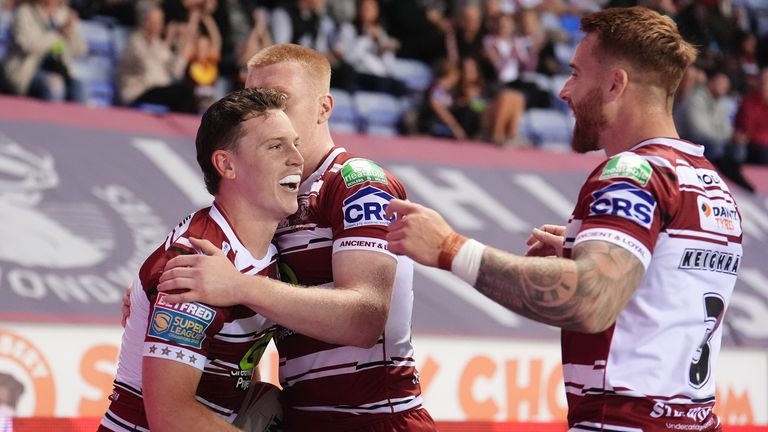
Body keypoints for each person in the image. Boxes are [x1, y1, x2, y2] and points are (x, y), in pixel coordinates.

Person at [384, 7, 742, 432]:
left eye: (576, 74)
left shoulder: (632, 173)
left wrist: (449, 249)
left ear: (615, 83)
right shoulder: (709, 183)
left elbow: (590, 302)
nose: (564, 91)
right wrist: (584, 249)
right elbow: (661, 296)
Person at [151, 44, 436, 431]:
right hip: (303, 417)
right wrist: (152, 291)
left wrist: (237, 286)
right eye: (255, 101)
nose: (267, 115)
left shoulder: (357, 182)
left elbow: (364, 320)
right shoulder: (272, 202)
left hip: (375, 420)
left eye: (281, 101)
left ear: (324, 108)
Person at [100, 87, 303, 432]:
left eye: (295, 143)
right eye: (275, 146)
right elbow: (171, 418)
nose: (297, 157)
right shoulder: (194, 263)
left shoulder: (267, 252)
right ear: (226, 164)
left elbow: (236, 366)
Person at [1, 0, 87, 102]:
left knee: (80, 88)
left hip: (58, 70)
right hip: (26, 72)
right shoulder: (25, 12)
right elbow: (28, 45)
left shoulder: (63, 14)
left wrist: (71, 31)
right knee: (54, 86)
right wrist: (58, 35)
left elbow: (79, 51)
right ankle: (48, 118)